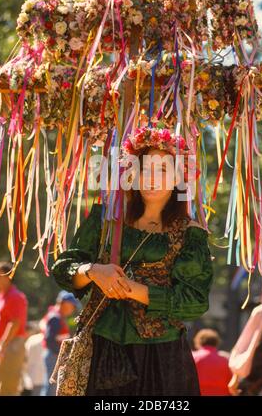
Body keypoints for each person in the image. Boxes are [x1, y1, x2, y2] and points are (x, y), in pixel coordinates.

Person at [52, 126, 214, 396]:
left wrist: (127, 288)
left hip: (162, 357)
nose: (152, 178)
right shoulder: (106, 218)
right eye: (146, 169)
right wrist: (92, 270)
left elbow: (194, 302)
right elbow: (64, 266)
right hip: (102, 346)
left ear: (178, 177)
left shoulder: (190, 233)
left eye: (163, 170)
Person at [0, 261, 28, 396]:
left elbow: (15, 323)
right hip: (2, 346)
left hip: (11, 345)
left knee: (8, 388)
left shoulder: (15, 296)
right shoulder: (0, 296)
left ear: (9, 276)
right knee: (0, 386)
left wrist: (1, 345)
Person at [40, 290, 78, 396]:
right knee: (51, 386)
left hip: (54, 355)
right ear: (63, 302)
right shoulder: (55, 318)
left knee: (53, 386)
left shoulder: (59, 316)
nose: (72, 309)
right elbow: (49, 339)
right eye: (71, 305)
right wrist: (60, 355)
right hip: (53, 355)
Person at [192, 328, 232, 396]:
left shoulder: (192, 358)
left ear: (198, 342)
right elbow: (232, 384)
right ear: (217, 343)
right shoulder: (226, 360)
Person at [23, 321, 46, 396]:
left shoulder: (31, 339)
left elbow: (25, 358)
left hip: (32, 375)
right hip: (45, 375)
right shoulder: (47, 339)